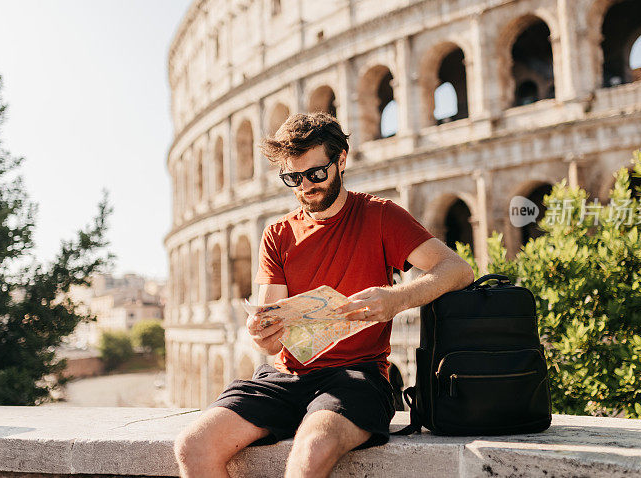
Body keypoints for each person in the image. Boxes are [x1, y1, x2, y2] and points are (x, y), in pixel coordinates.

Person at [174, 112, 474, 478]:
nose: (306, 187)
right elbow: (271, 339)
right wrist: (262, 334)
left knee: (313, 448)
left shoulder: (380, 216)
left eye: (316, 173)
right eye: (293, 178)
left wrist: (397, 299)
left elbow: (457, 269)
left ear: (341, 159)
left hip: (358, 376)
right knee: (193, 447)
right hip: (286, 377)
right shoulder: (277, 235)